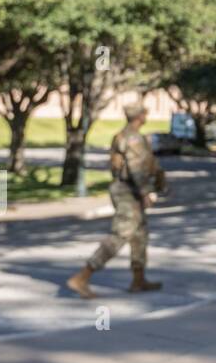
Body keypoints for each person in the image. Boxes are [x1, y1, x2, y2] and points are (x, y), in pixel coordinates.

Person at [65, 103, 166, 298]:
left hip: (129, 190)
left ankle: (139, 279)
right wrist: (146, 192)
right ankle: (82, 277)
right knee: (120, 234)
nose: (147, 115)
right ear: (140, 116)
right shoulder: (133, 138)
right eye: (145, 112)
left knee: (140, 235)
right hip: (129, 191)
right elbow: (136, 167)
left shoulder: (124, 135)